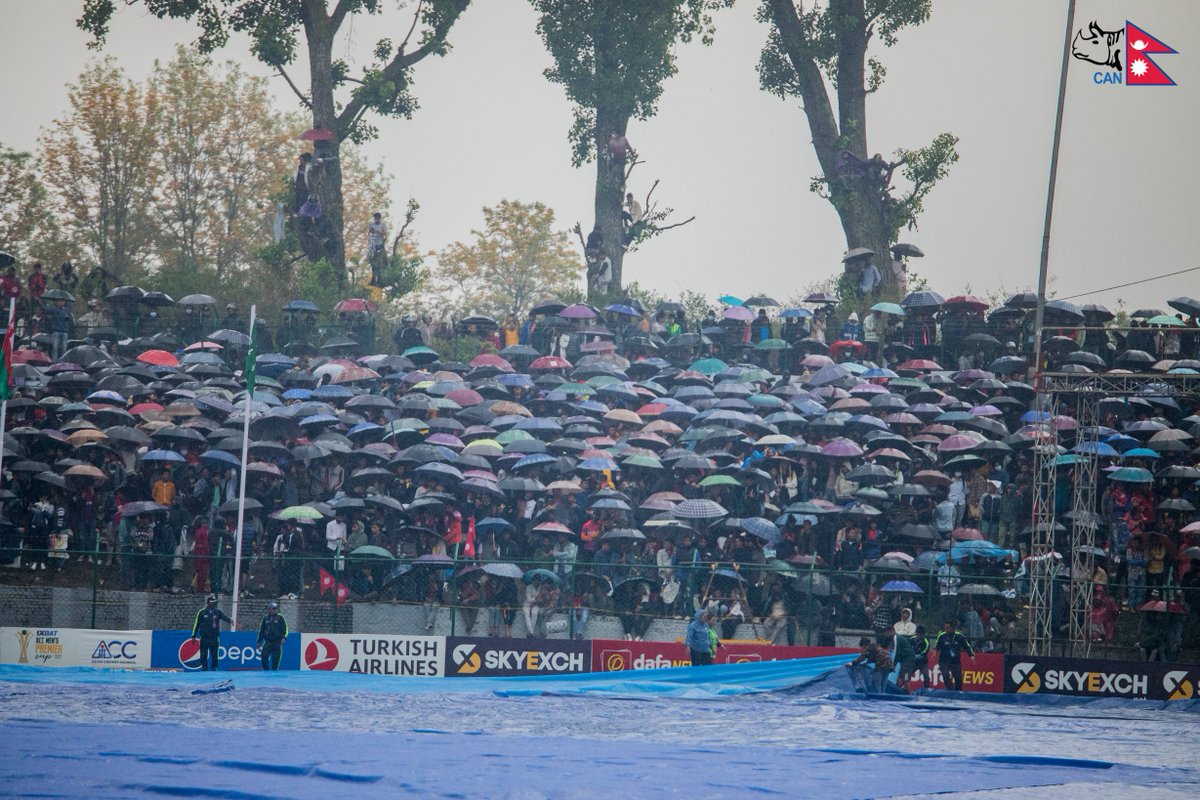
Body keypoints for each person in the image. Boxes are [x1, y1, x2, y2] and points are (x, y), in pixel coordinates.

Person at [191, 594, 232, 671]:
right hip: (204, 637)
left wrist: (230, 620)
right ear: (208, 603)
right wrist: (193, 636)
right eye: (213, 602)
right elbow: (197, 624)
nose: (214, 604)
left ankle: (214, 667)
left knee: (214, 654)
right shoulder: (202, 612)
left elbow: (224, 617)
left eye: (215, 602)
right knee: (203, 654)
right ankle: (204, 667)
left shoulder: (217, 612)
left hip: (214, 637)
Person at [933, 619, 974, 691]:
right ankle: (950, 690)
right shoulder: (942, 636)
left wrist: (971, 655)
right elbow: (937, 646)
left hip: (955, 661)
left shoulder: (959, 636)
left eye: (952, 627)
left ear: (954, 628)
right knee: (946, 675)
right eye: (949, 627)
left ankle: (957, 692)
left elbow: (967, 646)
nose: (950, 629)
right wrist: (934, 653)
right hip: (944, 660)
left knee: (959, 679)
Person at [257, 600, 289, 670]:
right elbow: (261, 630)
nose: (274, 610)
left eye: (275, 609)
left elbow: (285, 629)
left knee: (275, 659)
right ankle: (266, 670)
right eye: (273, 609)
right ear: (269, 609)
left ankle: (274, 673)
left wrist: (284, 637)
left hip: (277, 642)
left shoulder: (280, 618)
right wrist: (259, 641)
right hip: (268, 642)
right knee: (264, 656)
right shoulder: (265, 618)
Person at [367, 212, 387, 286]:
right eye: (375, 218)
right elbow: (369, 233)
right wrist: (371, 231)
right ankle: (373, 279)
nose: (376, 220)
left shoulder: (382, 225)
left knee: (380, 263)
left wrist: (379, 232)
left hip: (380, 245)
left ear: (379, 218)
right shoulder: (372, 225)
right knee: (373, 264)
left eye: (377, 218)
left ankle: (380, 280)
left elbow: (385, 233)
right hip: (373, 246)